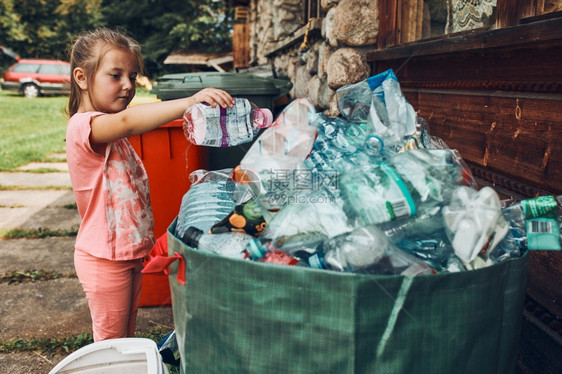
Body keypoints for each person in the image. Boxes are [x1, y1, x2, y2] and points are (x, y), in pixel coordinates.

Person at [65, 27, 234, 342]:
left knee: (124, 339)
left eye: (132, 76)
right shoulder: (83, 128)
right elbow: (129, 122)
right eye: (116, 75)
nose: (128, 85)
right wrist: (190, 101)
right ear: (82, 77)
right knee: (110, 345)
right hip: (104, 259)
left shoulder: (113, 133)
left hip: (125, 255)